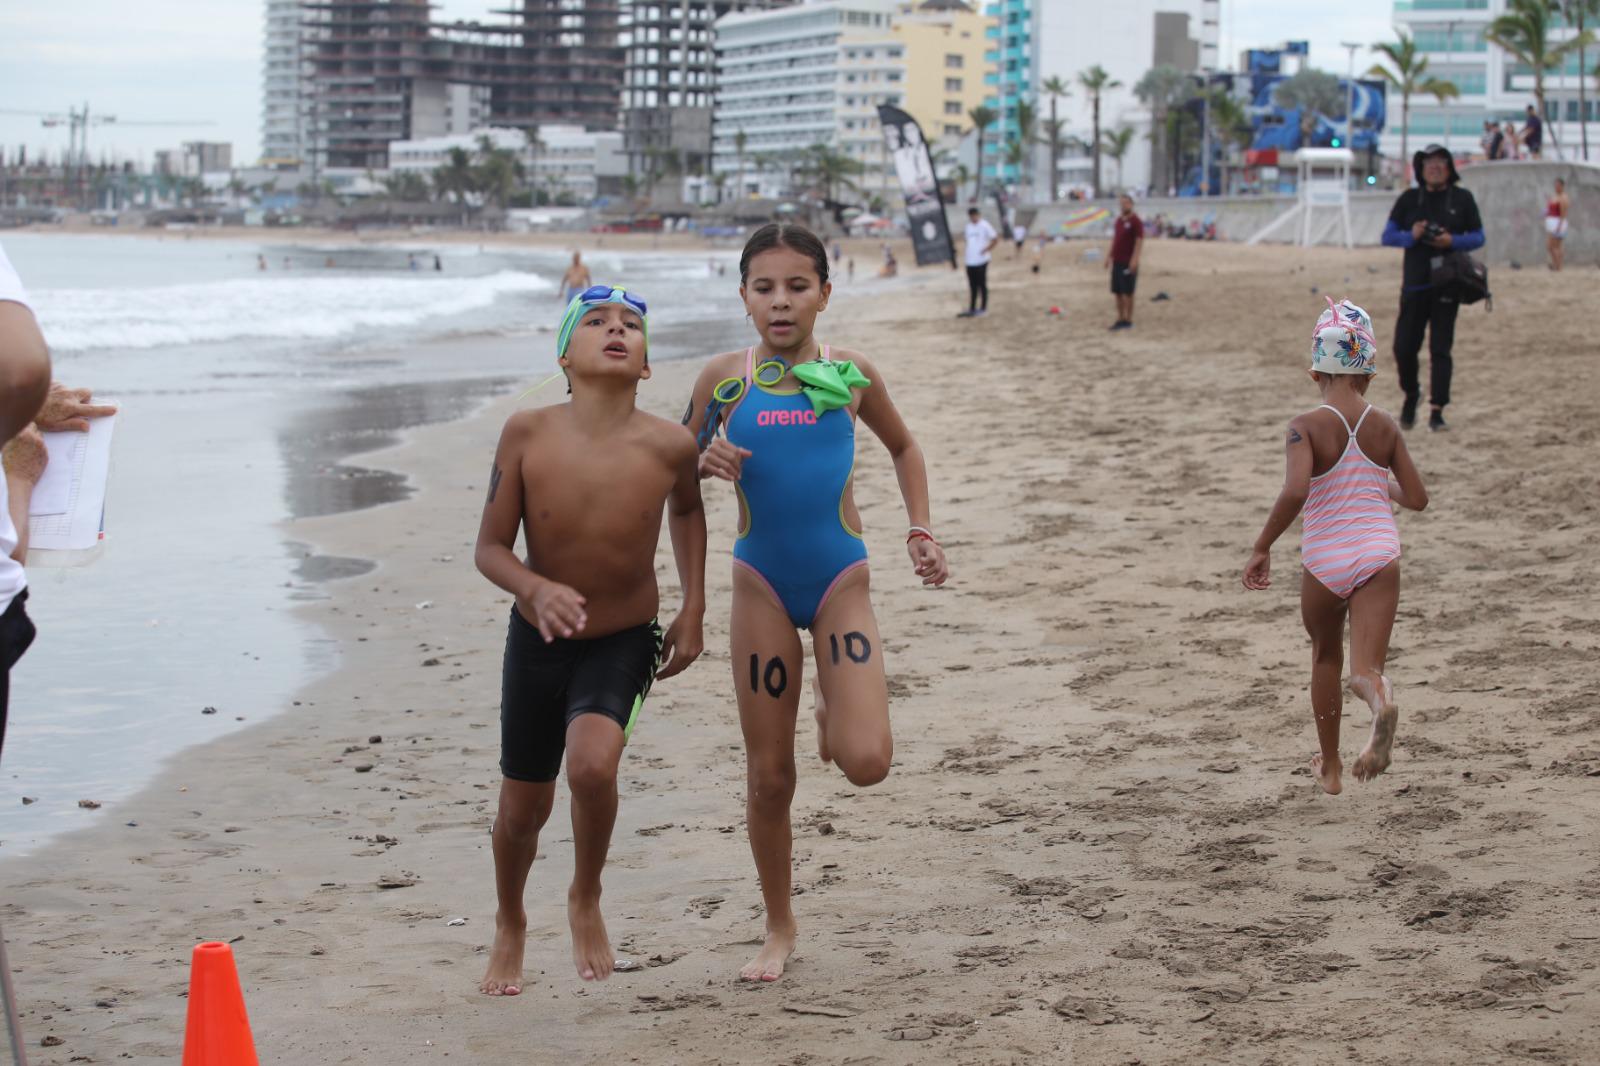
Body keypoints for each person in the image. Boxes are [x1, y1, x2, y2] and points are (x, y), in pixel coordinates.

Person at [682, 223, 948, 982]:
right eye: (763, 287)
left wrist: (920, 528)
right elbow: (667, 478)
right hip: (759, 583)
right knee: (771, 777)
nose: (780, 301)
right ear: (742, 297)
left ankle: (834, 711)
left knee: (867, 763)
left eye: (798, 286)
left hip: (839, 580)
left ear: (825, 294)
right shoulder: (721, 382)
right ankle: (779, 924)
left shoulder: (850, 373)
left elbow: (904, 446)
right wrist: (701, 461)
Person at [473, 284, 707, 993]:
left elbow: (689, 514)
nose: (616, 330)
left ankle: (585, 895)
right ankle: (510, 918)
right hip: (538, 640)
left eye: (631, 325)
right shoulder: (526, 433)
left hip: (624, 638)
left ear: (645, 364)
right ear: (565, 356)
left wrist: (694, 606)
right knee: (523, 808)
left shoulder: (671, 444)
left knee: (594, 768)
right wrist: (533, 587)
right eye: (597, 322)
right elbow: (489, 547)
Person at [1243, 299, 1429, 796]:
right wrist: (1377, 482)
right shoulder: (1385, 425)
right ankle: (1380, 697)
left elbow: (1297, 490)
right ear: (1366, 375)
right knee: (1364, 670)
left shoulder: (1305, 426)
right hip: (1376, 553)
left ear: (1314, 373)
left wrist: (1263, 546)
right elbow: (1417, 498)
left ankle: (1330, 767)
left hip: (1325, 561)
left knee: (1326, 656)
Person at [1380, 145, 1484, 433]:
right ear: (1420, 168)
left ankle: (1437, 409)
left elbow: (1478, 236)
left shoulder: (1462, 199)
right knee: (1403, 347)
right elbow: (1387, 236)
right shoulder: (1409, 199)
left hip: (1448, 283)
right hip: (1414, 284)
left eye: (1440, 162)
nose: (1434, 167)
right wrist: (1410, 235)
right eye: (1429, 162)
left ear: (1449, 167)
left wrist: (1452, 241)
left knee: (1441, 349)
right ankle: (1412, 393)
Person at [1106, 193, 1143, 331]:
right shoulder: (1118, 221)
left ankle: (1128, 319)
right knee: (1117, 292)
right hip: (1117, 260)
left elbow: (1139, 242)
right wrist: (1109, 257)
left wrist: (1135, 259)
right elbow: (1115, 240)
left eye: (1126, 203)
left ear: (1131, 204)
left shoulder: (1136, 221)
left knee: (1128, 292)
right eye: (1121, 203)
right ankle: (1120, 318)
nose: (1123, 205)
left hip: (1129, 261)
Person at [958, 206, 997, 317]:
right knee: (972, 285)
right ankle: (972, 307)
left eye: (975, 215)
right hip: (970, 260)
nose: (973, 217)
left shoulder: (985, 225)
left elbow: (995, 239)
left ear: (978, 215)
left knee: (982, 284)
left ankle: (983, 308)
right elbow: (967, 241)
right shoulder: (968, 227)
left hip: (982, 260)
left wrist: (986, 249)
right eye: (971, 216)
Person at [1545, 176, 1569, 271]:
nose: (1556, 187)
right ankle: (1556, 265)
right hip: (1553, 223)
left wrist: (1559, 225)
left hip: (1558, 223)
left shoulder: (1563, 197)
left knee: (1554, 246)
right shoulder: (1555, 196)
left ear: (1562, 186)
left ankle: (1558, 265)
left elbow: (1563, 213)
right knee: (1553, 246)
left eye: (1558, 185)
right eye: (1555, 185)